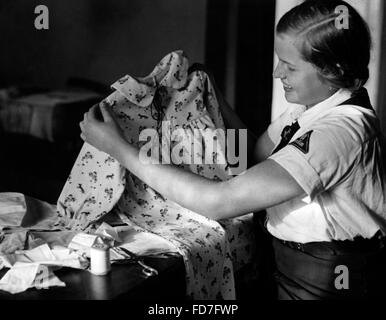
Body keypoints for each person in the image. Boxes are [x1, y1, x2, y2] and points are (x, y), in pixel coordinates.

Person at [80, 0, 386, 300]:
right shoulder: (310, 110)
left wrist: (119, 149)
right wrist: (212, 94)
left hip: (327, 284)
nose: (277, 73)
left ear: (333, 69)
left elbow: (219, 202)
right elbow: (254, 155)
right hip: (288, 267)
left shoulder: (338, 134)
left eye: (290, 67)